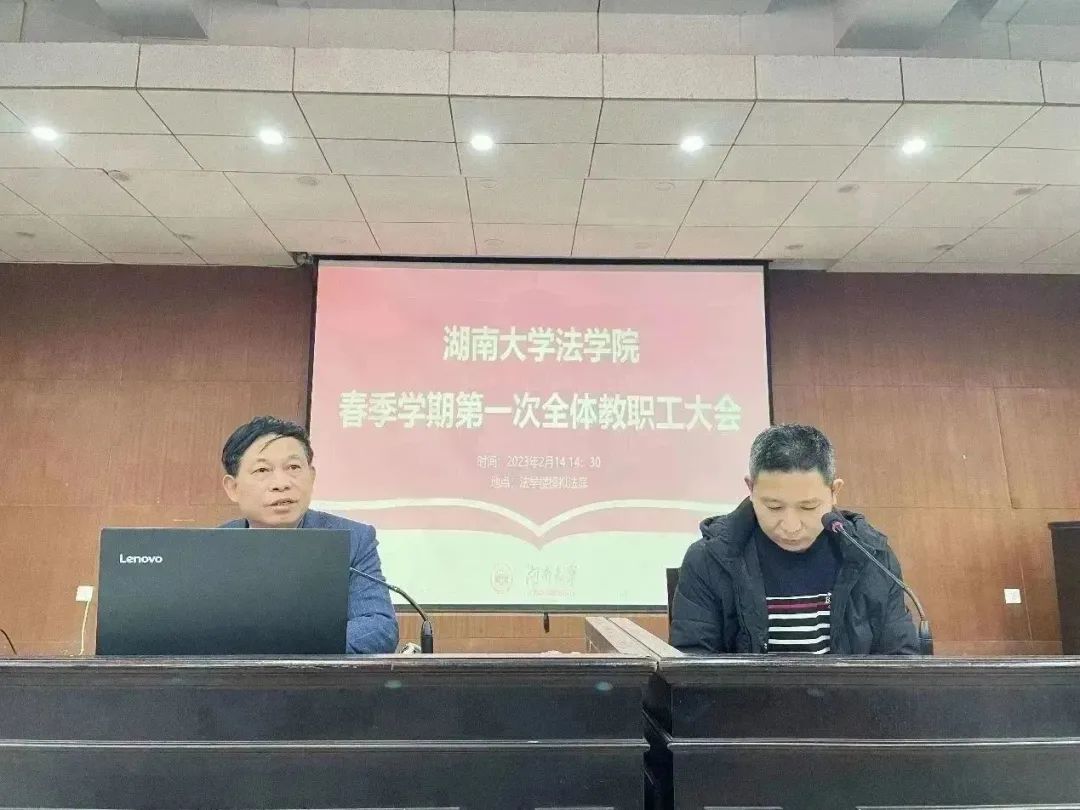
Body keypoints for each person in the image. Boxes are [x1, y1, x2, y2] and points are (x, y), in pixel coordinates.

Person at [670, 423, 917, 655]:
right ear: (750, 488)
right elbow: (692, 664)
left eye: (808, 507)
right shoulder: (709, 559)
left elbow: (902, 661)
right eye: (774, 507)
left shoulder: (870, 556)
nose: (791, 526)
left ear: (834, 491)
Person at [219, 416, 399, 654]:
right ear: (233, 488)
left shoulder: (353, 539)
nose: (281, 483)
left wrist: (286, 647)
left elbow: (379, 628)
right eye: (262, 470)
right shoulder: (214, 549)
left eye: (293, 468)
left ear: (312, 477)